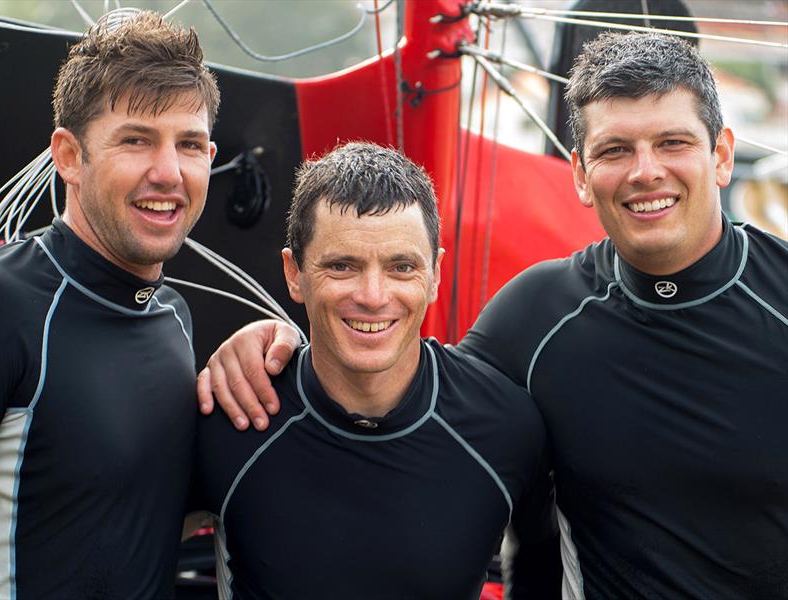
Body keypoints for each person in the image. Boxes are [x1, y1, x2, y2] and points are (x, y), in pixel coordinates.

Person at [199, 32, 788, 599]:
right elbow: (401, 387)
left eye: (673, 143)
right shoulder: (537, 314)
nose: (645, 171)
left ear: (722, 155)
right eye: (615, 150)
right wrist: (273, 341)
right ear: (581, 174)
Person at [194, 142, 560, 599]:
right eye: (342, 266)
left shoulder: (506, 428)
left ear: (435, 274)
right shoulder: (230, 418)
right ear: (294, 273)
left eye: (401, 267)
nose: (372, 295)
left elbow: (543, 564)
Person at [0, 11, 218, 597]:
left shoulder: (173, 317)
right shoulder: (4, 303)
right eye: (137, 140)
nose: (168, 172)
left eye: (188, 144)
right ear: (68, 156)